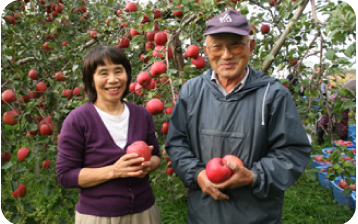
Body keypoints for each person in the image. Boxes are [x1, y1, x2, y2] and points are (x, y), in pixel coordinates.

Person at [165, 10, 311, 224]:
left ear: (250, 47)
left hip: (257, 216)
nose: (226, 55)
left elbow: (292, 151)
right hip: (203, 214)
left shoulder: (272, 94)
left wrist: (254, 176)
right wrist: (197, 174)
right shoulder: (191, 92)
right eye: (217, 46)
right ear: (206, 50)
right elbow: (176, 143)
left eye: (235, 44)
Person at [56, 45, 161, 224]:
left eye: (118, 71)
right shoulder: (78, 120)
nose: (112, 80)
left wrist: (146, 166)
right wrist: (114, 171)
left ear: (127, 75)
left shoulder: (141, 115)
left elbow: (156, 157)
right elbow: (66, 176)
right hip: (98, 217)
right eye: (103, 73)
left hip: (145, 213)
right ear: (91, 80)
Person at [316, 80, 356, 144]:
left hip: (332, 98)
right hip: (341, 101)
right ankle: (343, 141)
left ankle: (319, 137)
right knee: (342, 122)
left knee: (325, 118)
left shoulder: (353, 81)